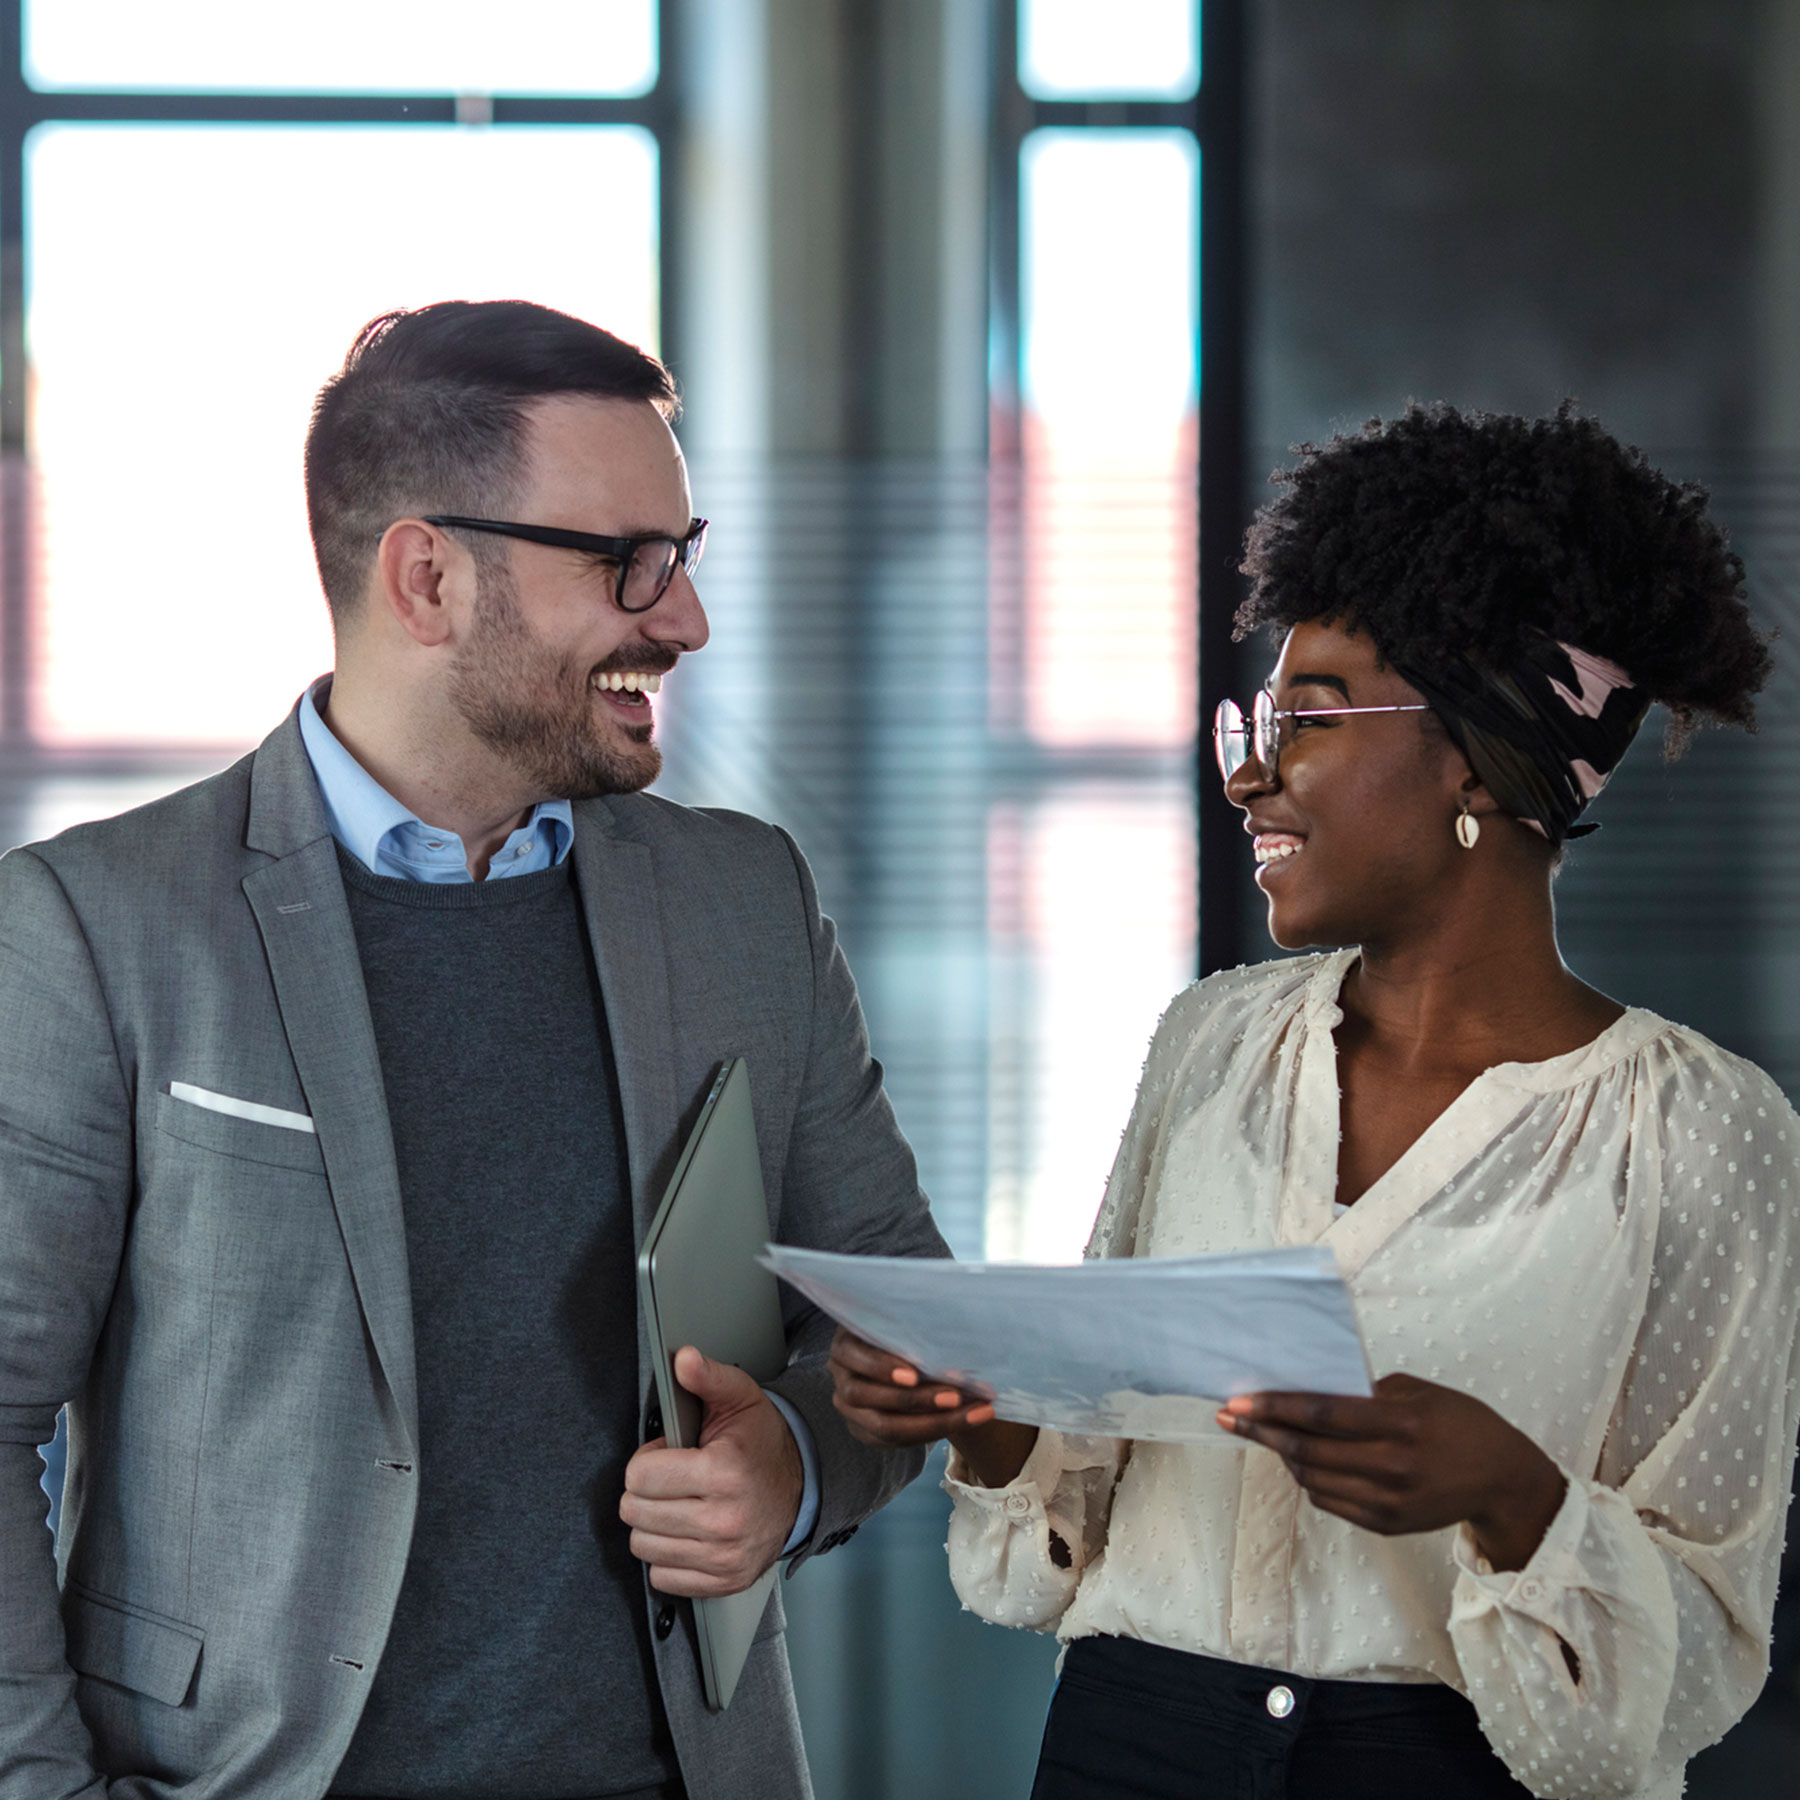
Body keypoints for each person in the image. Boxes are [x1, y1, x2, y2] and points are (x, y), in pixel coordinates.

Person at [0, 300, 948, 1800]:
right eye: (625, 563)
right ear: (428, 576)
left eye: (683, 555)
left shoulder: (744, 899)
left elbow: (902, 1313)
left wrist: (799, 1463)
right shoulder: (99, 928)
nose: (683, 619)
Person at [831, 404, 1800, 1800]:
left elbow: (1702, 1643)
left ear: (1473, 753)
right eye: (1257, 716)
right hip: (1127, 1745)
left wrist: (1512, 1497)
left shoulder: (1700, 1134)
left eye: (1312, 716)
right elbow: (1089, 1484)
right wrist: (977, 1407)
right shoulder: (1212, 1046)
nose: (1247, 769)